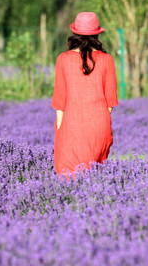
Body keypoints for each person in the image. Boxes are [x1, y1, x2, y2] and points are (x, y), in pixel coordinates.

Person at [51, 11, 119, 180]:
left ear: (75, 33)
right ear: (97, 34)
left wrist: (60, 130)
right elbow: (110, 103)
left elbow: (60, 102)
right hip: (99, 125)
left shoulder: (63, 59)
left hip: (72, 126)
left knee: (69, 175)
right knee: (94, 176)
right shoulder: (107, 59)